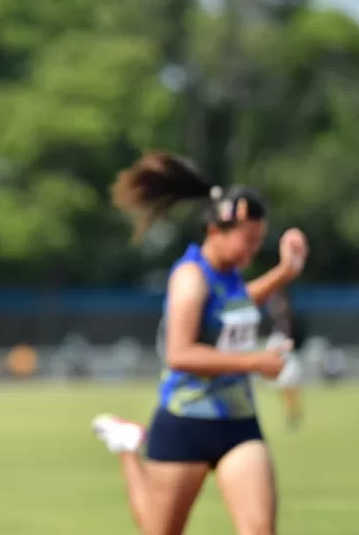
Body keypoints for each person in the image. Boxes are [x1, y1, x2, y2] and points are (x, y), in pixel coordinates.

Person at [89, 153, 308, 535]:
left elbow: (236, 306)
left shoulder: (232, 277)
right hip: (185, 423)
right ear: (216, 231)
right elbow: (180, 353)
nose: (252, 251)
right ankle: (127, 447)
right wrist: (256, 363)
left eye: (258, 242)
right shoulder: (190, 278)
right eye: (248, 241)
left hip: (238, 424)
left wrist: (285, 272)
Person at [266, 290, 307, 430]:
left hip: (290, 359)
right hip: (280, 359)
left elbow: (297, 339)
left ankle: (294, 411)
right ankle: (290, 411)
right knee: (283, 388)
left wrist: (292, 344)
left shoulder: (291, 319)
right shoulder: (275, 322)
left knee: (291, 386)